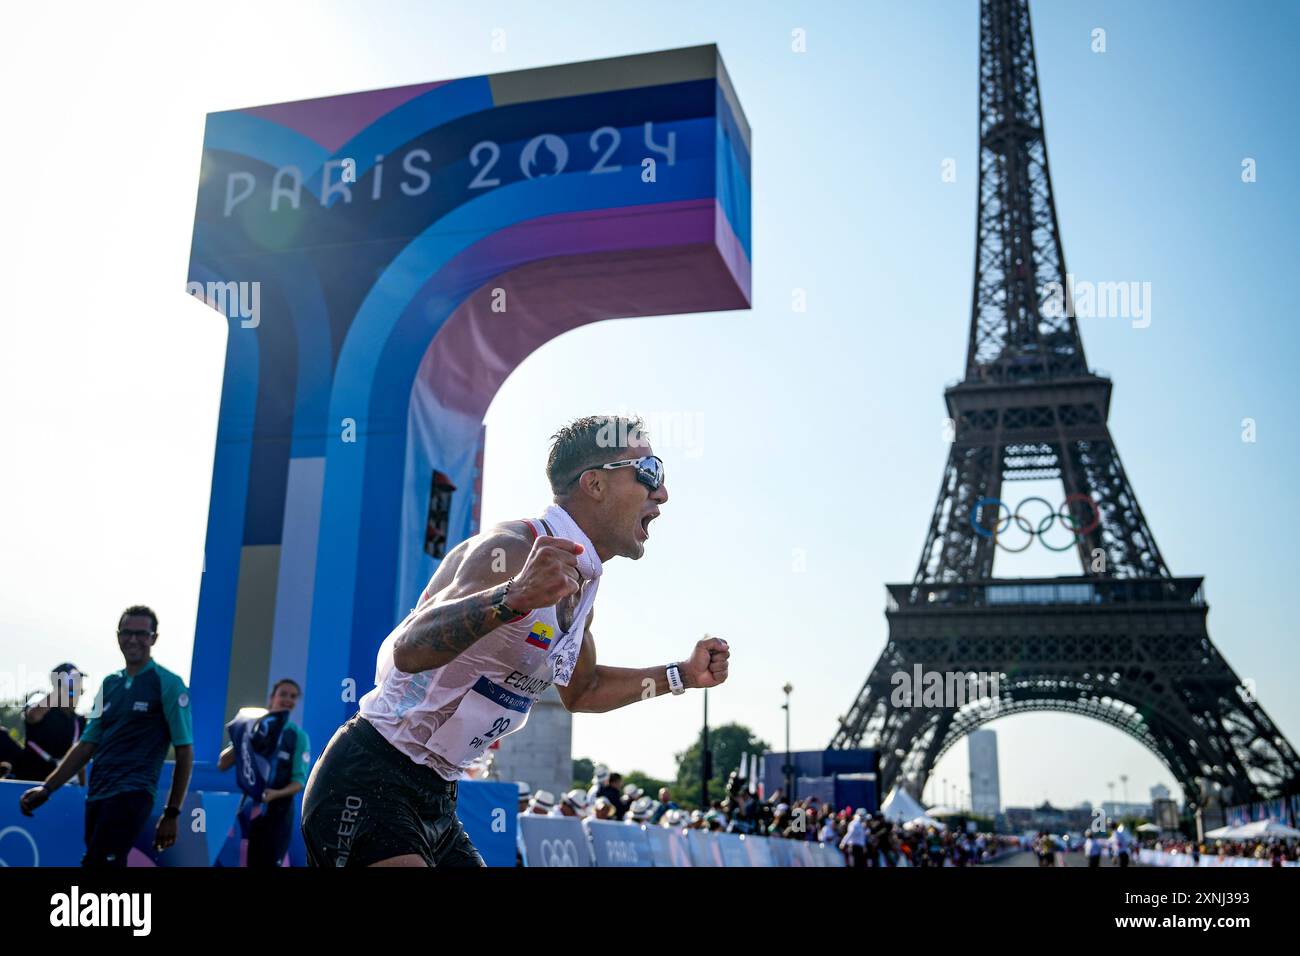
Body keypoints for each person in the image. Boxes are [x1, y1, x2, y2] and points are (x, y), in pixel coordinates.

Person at [301, 415, 731, 867]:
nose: (661, 495)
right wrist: (512, 598)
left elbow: (582, 692)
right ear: (595, 484)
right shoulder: (509, 550)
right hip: (370, 775)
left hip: (438, 795)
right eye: (650, 473)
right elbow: (407, 650)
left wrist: (679, 675)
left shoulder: (579, 584)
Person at [19, 606, 194, 867]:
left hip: (133, 793)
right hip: (98, 793)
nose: (132, 639)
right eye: (126, 632)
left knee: (97, 864)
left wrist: (172, 813)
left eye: (141, 633)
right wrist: (48, 788)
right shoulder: (109, 684)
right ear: (117, 635)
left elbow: (184, 752)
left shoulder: (168, 683)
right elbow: (87, 745)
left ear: (153, 638)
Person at [216, 678, 311, 867]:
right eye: (283, 694)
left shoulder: (297, 736)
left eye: (293, 696)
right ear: (272, 697)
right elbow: (223, 764)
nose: (287, 699)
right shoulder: (254, 726)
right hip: (245, 814)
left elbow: (299, 782)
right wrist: (243, 736)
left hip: (278, 815)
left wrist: (275, 794)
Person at [0, 663, 88, 783]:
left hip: (58, 787)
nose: (77, 696)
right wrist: (62, 687)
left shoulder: (80, 722)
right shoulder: (43, 708)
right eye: (72, 692)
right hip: (27, 781)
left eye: (80, 691)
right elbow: (33, 715)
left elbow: (81, 760)